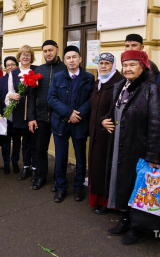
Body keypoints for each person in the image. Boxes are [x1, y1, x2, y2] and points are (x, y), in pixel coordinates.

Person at [102, 50, 160, 245]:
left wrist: (153, 157)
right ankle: (125, 219)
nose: (128, 69)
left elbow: (157, 124)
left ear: (143, 66)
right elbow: (111, 112)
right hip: (119, 144)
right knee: (122, 185)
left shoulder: (152, 88)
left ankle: (137, 228)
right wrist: (104, 121)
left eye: (133, 65)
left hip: (138, 148)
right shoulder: (120, 85)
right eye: (125, 65)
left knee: (138, 188)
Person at [48, 45, 95, 203]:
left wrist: (77, 115)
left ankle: (78, 187)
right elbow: (52, 98)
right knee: (60, 157)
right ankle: (61, 187)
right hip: (61, 122)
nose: (72, 60)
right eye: (68, 58)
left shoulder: (89, 78)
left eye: (74, 57)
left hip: (79, 123)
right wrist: (68, 113)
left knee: (81, 157)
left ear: (80, 59)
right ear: (65, 61)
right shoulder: (58, 77)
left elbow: (91, 100)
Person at [27, 40, 66, 191]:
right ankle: (41, 176)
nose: (48, 53)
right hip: (41, 117)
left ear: (57, 50)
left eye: (50, 50)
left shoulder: (65, 68)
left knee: (60, 151)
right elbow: (31, 96)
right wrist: (31, 117)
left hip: (59, 117)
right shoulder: (38, 70)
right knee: (40, 150)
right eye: (45, 51)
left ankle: (58, 179)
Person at [87, 53, 124, 215]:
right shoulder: (99, 82)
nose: (103, 66)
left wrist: (107, 120)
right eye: (101, 63)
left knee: (106, 167)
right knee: (96, 166)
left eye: (107, 63)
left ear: (113, 65)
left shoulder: (119, 83)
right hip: (96, 131)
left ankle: (107, 201)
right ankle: (97, 198)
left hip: (109, 133)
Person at [6, 45, 38, 180]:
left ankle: (36, 168)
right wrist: (11, 96)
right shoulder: (13, 73)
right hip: (20, 112)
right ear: (19, 57)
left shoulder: (37, 70)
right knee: (25, 142)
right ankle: (26, 167)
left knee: (35, 142)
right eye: (23, 54)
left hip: (35, 112)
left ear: (31, 57)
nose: (25, 57)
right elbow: (9, 92)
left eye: (28, 54)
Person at [0, 56, 21, 175]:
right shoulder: (1, 81)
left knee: (17, 141)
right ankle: (6, 163)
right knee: (5, 142)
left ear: (17, 66)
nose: (10, 67)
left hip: (18, 116)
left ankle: (15, 162)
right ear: (5, 67)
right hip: (5, 116)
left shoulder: (21, 79)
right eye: (7, 65)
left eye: (12, 64)